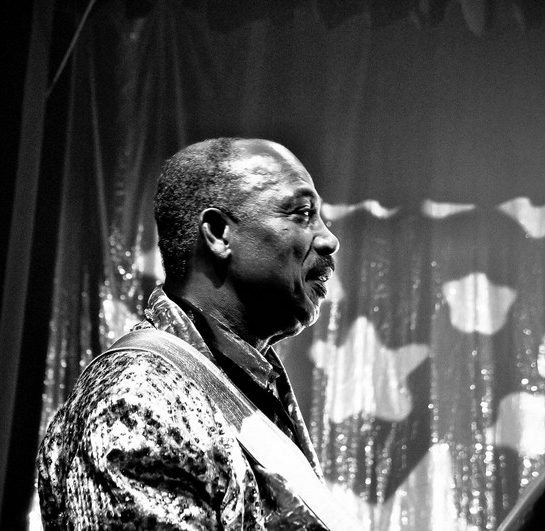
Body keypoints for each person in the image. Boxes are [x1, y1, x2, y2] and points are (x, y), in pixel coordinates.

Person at [36, 138, 341, 530]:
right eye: (303, 214)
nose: (329, 240)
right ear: (218, 233)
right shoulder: (137, 400)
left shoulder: (250, 380)